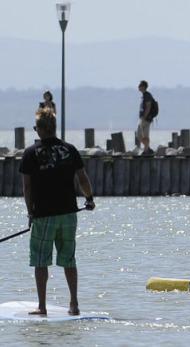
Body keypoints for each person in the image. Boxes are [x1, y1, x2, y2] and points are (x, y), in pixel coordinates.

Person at [19, 108, 95, 316]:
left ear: (43, 129)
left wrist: (30, 212)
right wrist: (89, 199)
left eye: (36, 128)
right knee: (69, 259)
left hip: (43, 215)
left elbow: (27, 188)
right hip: (69, 214)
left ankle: (42, 306)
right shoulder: (69, 149)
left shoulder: (30, 153)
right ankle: (74, 304)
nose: (36, 131)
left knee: (41, 260)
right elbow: (83, 179)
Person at [137, 80, 155, 155]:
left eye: (140, 85)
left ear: (144, 87)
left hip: (145, 119)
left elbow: (148, 106)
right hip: (144, 118)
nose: (138, 87)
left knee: (142, 135)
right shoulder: (144, 95)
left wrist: (144, 117)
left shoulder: (147, 95)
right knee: (142, 135)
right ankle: (147, 149)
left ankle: (146, 150)